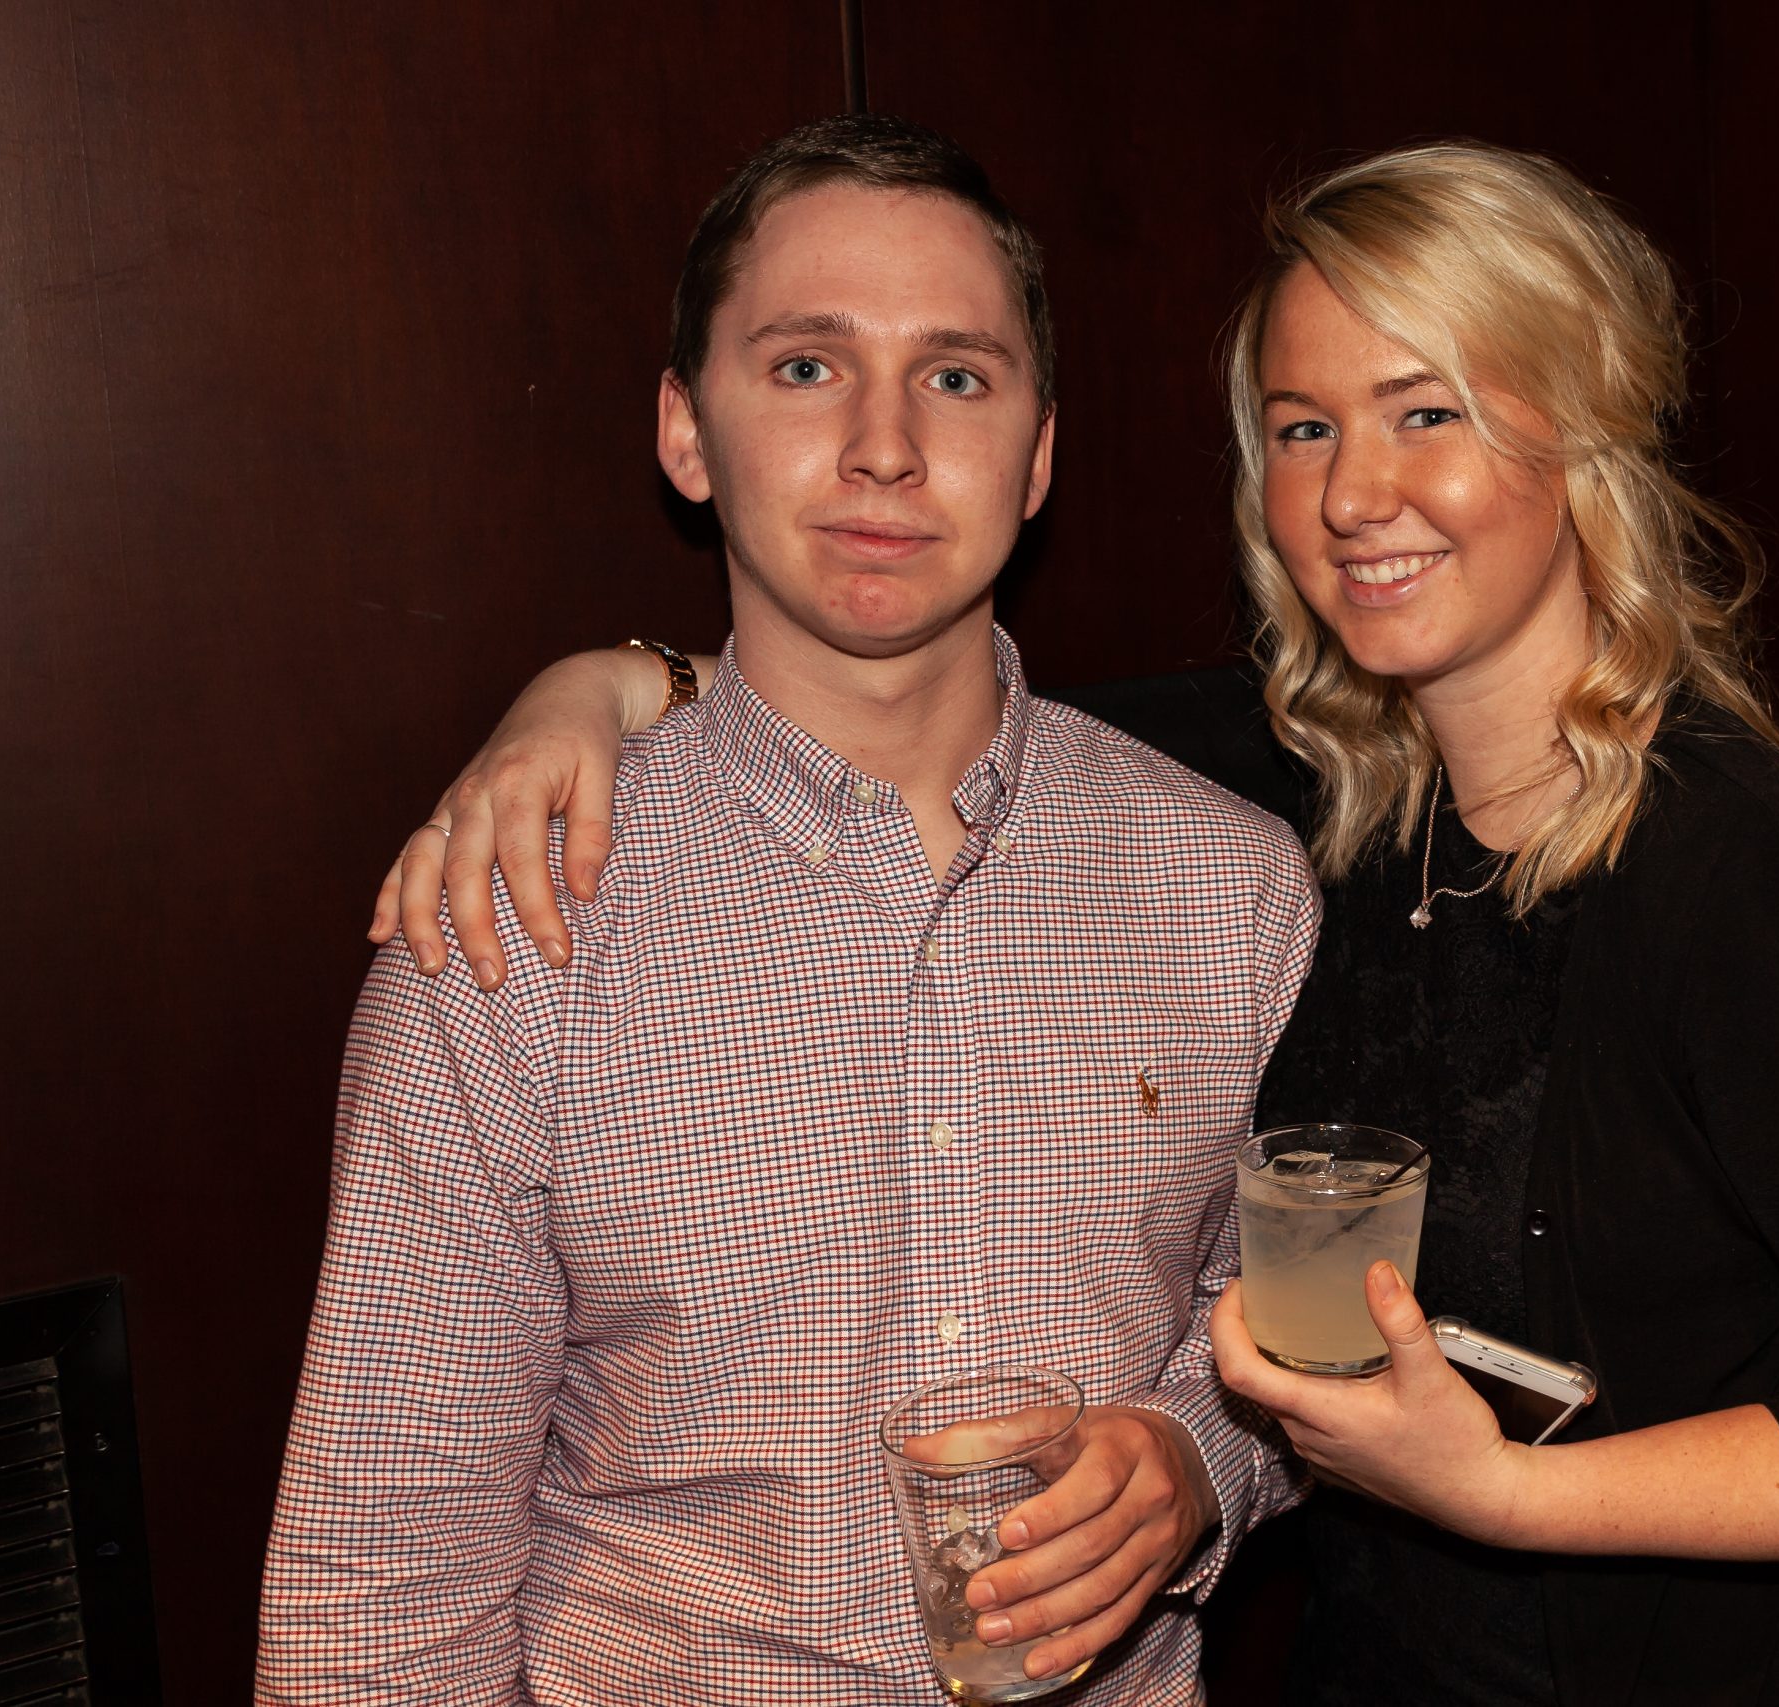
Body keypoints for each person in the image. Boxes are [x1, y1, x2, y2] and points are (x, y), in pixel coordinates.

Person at [388, 142, 1779, 1706]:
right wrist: (607, 687)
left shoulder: (1746, 869)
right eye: (1303, 427)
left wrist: (1499, 1491)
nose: (1354, 494)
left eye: (1426, 411)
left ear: (1580, 431)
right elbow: (897, 693)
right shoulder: (1303, 793)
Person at [257, 116, 1318, 1705]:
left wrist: (1195, 1460)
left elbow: (1290, 1310)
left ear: (1037, 457)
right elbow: (382, 1578)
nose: (886, 445)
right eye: (808, 367)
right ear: (688, 434)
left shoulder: (1230, 885)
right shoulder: (517, 916)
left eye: (956, 375)